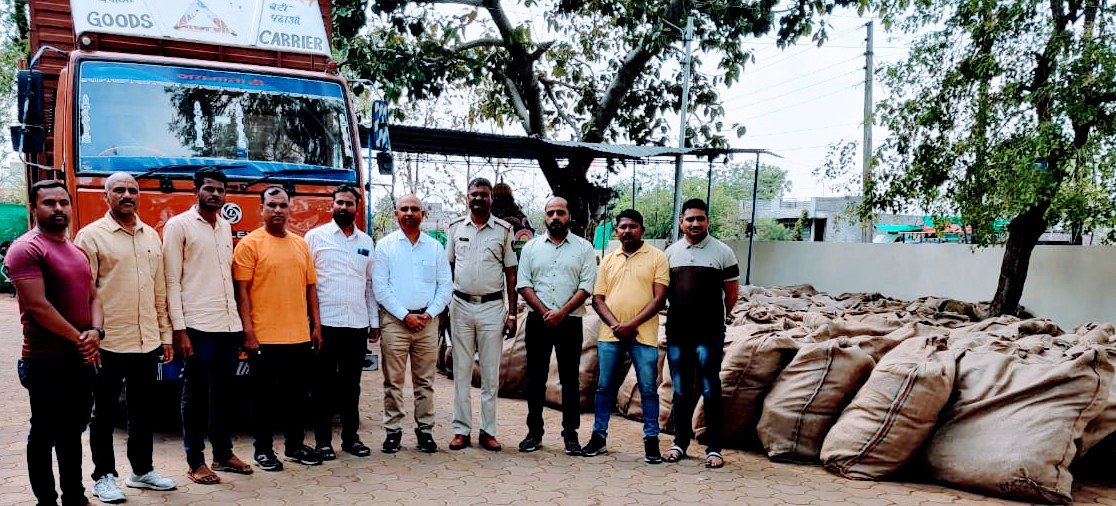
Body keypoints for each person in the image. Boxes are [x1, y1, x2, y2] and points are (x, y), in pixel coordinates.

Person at [74, 173, 177, 502]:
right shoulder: (91, 237)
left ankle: (142, 471)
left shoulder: (152, 236)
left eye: (133, 190)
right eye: (119, 190)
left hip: (146, 341)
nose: (127, 195)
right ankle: (103, 476)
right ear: (106, 196)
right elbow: (83, 295)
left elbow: (159, 291)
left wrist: (165, 335)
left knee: (143, 410)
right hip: (107, 343)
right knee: (103, 413)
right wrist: (88, 338)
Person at [6, 180, 101, 506]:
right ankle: (46, 500)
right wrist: (80, 339)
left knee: (72, 431)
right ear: (33, 208)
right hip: (45, 360)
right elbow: (37, 305)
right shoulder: (26, 248)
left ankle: (74, 497)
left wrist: (96, 332)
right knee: (44, 433)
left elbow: (94, 296)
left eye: (63, 202)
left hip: (80, 359)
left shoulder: (77, 251)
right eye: (49, 203)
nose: (58, 208)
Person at [163, 167, 254, 484]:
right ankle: (195, 461)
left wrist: (240, 325)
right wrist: (179, 329)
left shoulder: (225, 226)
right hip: (196, 326)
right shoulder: (178, 226)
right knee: (196, 395)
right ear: (196, 191)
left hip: (228, 325)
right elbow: (171, 281)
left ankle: (223, 454)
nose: (215, 194)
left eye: (220, 190)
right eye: (209, 189)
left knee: (224, 394)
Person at [233, 185, 323, 471]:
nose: (278, 210)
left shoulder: (300, 244)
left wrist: (316, 326)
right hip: (264, 339)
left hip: (298, 337)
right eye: (271, 205)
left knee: (296, 398)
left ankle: (295, 447)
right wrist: (248, 332)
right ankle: (263, 450)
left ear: (289, 209)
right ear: (261, 209)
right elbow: (242, 292)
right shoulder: (249, 245)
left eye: (283, 205)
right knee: (264, 400)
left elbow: (310, 289)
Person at [583, 209, 669, 464]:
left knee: (648, 389)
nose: (627, 231)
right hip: (610, 335)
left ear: (642, 229)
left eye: (632, 226)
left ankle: (651, 441)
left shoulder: (657, 257)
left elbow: (659, 299)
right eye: (622, 227)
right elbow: (597, 299)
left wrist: (631, 325)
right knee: (604, 387)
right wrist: (616, 325)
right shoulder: (608, 260)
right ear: (617, 231)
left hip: (643, 336)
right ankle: (598, 437)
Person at [515, 197, 596, 456]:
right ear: (545, 217)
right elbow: (523, 284)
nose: (555, 217)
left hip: (570, 321)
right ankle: (534, 433)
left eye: (560, 212)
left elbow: (586, 286)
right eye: (550, 213)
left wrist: (561, 312)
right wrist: (545, 313)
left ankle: (570, 436)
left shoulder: (584, 248)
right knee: (535, 378)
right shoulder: (531, 247)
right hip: (537, 321)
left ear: (568, 215)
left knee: (570, 379)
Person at [662, 199, 739, 469]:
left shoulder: (723, 252)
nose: (695, 224)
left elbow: (731, 295)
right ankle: (679, 443)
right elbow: (663, 292)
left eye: (700, 218)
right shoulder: (671, 253)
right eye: (690, 219)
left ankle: (714, 448)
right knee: (681, 389)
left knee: (710, 388)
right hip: (677, 333)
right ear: (681, 222)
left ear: (708, 221)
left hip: (709, 334)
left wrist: (719, 318)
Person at [373, 194, 451, 454]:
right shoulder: (385, 247)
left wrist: (429, 314)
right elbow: (380, 288)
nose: (409, 213)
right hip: (395, 323)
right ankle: (393, 431)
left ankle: (425, 431)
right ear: (396, 214)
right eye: (404, 209)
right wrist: (404, 315)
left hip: (427, 323)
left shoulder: (435, 248)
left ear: (423, 214)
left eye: (414, 209)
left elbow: (445, 286)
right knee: (393, 381)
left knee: (425, 382)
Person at [305, 184, 379, 460]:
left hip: (356, 325)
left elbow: (369, 285)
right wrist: (312, 325)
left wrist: (373, 321)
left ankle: (351, 439)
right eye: (339, 202)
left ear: (357, 208)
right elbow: (308, 284)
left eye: (349, 203)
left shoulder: (366, 242)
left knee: (351, 386)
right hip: (325, 325)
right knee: (322, 386)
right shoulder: (315, 238)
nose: (344, 207)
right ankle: (323, 442)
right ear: (332, 205)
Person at [446, 178, 518, 452]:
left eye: (483, 195)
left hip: (491, 308)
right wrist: (445, 307)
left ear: (491, 198)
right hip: (461, 306)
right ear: (467, 197)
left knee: (490, 374)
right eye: (474, 194)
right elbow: (448, 268)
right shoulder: (455, 228)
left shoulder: (504, 230)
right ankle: (460, 430)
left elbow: (511, 274)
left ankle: (488, 431)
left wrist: (512, 314)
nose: (478, 198)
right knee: (461, 371)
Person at [490, 182, 534, 257]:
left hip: (515, 254)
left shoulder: (518, 214)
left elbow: (528, 239)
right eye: (500, 196)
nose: (502, 200)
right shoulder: (489, 214)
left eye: (504, 196)